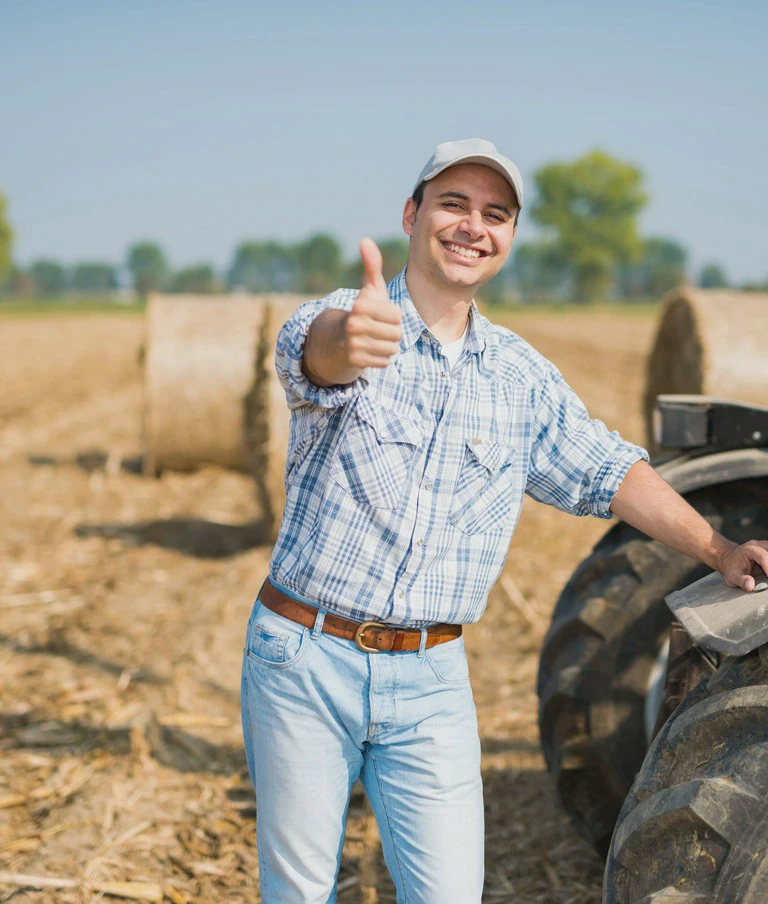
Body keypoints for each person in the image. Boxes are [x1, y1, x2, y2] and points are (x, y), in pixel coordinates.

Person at [240, 138, 768, 903]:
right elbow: (313, 359)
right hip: (305, 658)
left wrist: (718, 548)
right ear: (412, 214)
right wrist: (347, 345)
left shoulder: (520, 377)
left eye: (496, 214)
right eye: (453, 204)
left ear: (509, 238)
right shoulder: (345, 320)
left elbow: (609, 470)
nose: (472, 226)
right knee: (298, 892)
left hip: (430, 678)